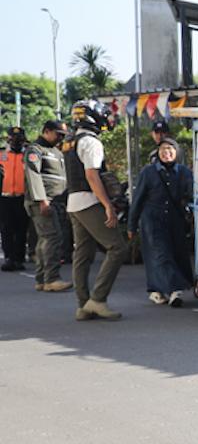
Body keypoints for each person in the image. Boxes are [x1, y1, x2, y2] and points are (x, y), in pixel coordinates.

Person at [65, 101, 126, 321]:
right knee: (117, 247)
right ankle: (98, 300)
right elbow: (92, 176)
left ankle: (83, 305)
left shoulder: (70, 141)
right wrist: (108, 205)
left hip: (73, 202)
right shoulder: (91, 142)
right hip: (89, 201)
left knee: (82, 254)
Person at [128, 139, 194, 307]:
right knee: (160, 255)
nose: (167, 153)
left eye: (170, 149)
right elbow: (138, 200)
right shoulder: (148, 172)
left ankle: (156, 290)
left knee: (177, 254)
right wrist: (131, 225)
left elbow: (192, 193)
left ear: (176, 152)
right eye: (163, 149)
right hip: (152, 220)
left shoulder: (184, 172)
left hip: (175, 220)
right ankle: (174, 291)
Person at [23, 120, 71, 292]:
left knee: (46, 239)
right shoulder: (35, 150)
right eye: (58, 134)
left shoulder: (56, 151)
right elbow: (33, 175)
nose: (60, 138)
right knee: (53, 238)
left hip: (56, 202)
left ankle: (42, 279)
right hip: (44, 202)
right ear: (47, 131)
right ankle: (52, 278)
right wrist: (42, 200)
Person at [1, 126, 29, 271]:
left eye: (19, 139)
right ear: (8, 139)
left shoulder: (29, 155)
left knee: (21, 229)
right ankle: (8, 258)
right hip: (5, 197)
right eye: (13, 138)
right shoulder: (2, 154)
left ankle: (19, 258)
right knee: (6, 228)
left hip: (22, 197)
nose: (16, 141)